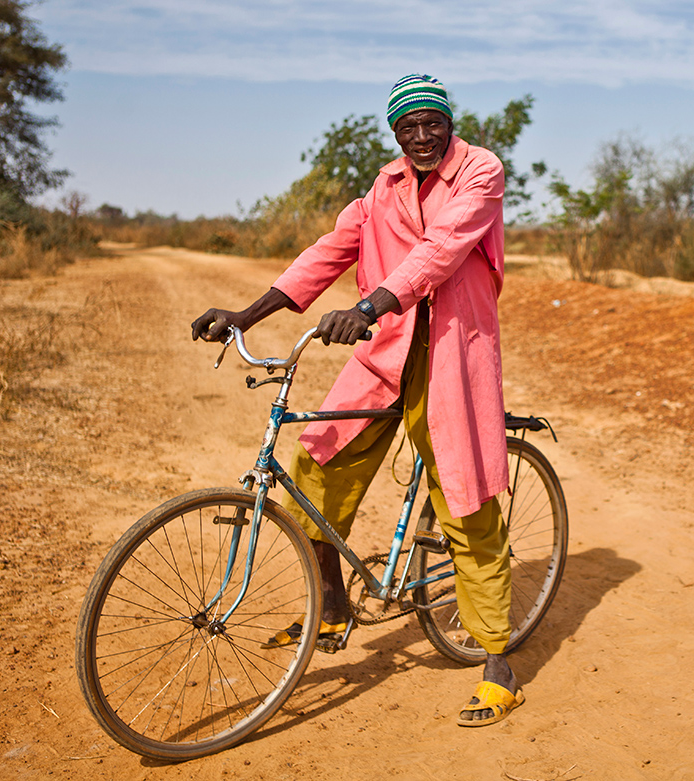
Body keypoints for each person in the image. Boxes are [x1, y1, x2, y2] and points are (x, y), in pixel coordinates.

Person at [190, 74, 522, 727]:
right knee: (315, 470)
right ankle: (334, 609)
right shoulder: (382, 188)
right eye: (409, 127)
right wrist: (245, 315)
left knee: (464, 498)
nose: (422, 136)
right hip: (386, 350)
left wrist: (370, 302)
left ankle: (497, 662)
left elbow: (442, 248)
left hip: (450, 352)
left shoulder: (480, 171)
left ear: (448, 123)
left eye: (433, 123)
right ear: (394, 132)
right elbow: (324, 255)